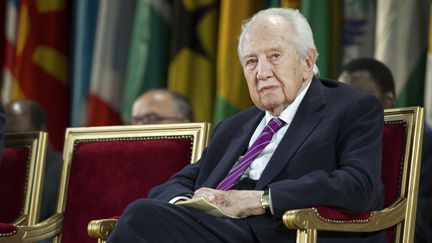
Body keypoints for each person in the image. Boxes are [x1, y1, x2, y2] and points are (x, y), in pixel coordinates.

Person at [108, 8, 386, 243]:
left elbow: (359, 185)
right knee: (145, 215)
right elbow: (179, 182)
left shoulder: (351, 107)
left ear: (307, 61)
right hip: (213, 227)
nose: (262, 72)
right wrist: (190, 202)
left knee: (138, 217)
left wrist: (261, 200)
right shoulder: (234, 127)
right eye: (251, 61)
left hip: (278, 231)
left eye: (275, 56)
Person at [339, 57, 432, 243]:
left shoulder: (421, 141)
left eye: (359, 96)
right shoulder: (341, 137)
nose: (349, 105)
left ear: (388, 99)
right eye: (343, 97)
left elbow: (421, 219)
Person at [4, 100, 62, 225]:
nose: (13, 151)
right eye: (6, 139)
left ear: (42, 131)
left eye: (20, 139)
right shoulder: (4, 166)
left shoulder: (62, 169)